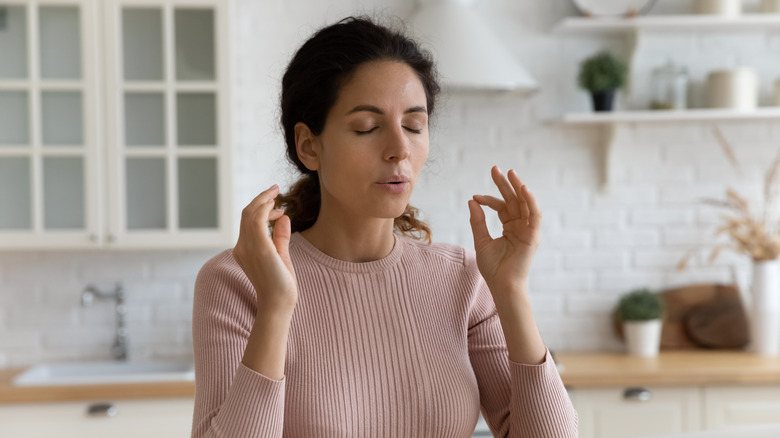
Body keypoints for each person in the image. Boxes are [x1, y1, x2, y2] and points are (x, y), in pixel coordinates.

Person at [191, 16, 578, 438]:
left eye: (414, 125)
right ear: (309, 145)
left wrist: (512, 292)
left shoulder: (462, 279)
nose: (399, 150)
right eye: (367, 128)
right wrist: (277, 306)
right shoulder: (238, 281)